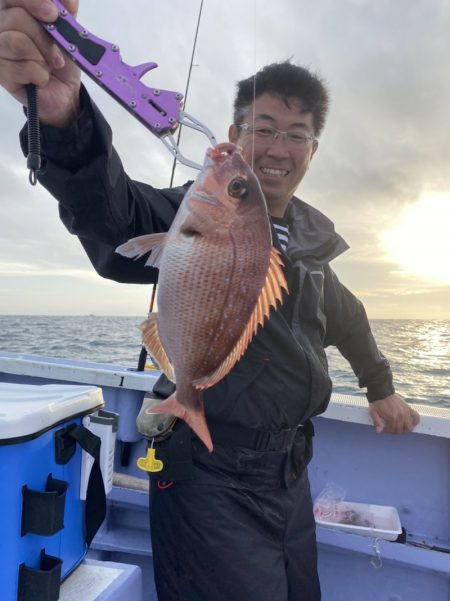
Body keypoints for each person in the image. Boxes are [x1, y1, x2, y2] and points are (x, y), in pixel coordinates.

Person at [0, 2, 420, 600]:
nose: (278, 146)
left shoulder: (310, 244)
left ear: (313, 150)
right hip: (208, 475)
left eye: (296, 134)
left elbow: (349, 321)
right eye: (263, 127)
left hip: (290, 478)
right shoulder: (187, 216)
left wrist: (381, 387)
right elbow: (112, 218)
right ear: (232, 137)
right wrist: (68, 122)